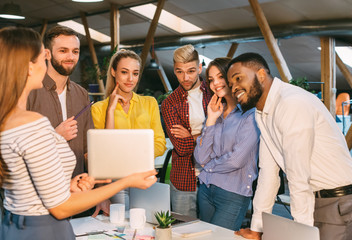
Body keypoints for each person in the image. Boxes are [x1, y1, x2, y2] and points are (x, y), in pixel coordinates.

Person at [0, 26, 157, 240]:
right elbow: (60, 208)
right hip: (44, 228)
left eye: (75, 51)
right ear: (29, 66)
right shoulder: (32, 123)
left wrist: (70, 186)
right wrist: (127, 181)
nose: (44, 61)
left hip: (17, 223)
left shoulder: (9, 116)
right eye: (41, 56)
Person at [227, 52, 352, 240]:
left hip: (338, 202)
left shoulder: (292, 103)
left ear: (261, 75)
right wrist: (257, 227)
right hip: (313, 200)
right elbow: (268, 174)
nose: (234, 88)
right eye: (231, 84)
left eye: (238, 78)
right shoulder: (261, 113)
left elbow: (298, 177)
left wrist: (300, 235)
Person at [91, 49, 166, 213]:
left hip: (144, 177)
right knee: (119, 229)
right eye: (124, 72)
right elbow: (103, 152)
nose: (130, 79)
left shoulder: (149, 103)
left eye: (135, 73)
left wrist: (128, 156)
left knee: (146, 228)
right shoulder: (99, 109)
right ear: (113, 72)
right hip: (114, 181)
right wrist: (110, 110)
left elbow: (160, 144)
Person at [193, 57, 260, 231]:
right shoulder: (215, 112)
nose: (215, 83)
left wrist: (208, 168)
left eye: (220, 77)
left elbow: (236, 160)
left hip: (233, 194)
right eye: (211, 79)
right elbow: (200, 157)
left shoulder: (251, 115)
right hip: (206, 190)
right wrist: (210, 121)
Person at [27, 25, 93, 178]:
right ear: (47, 54)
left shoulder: (82, 94)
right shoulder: (29, 91)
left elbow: (88, 149)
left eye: (75, 51)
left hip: (78, 187)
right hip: (40, 189)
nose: (70, 57)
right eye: (63, 51)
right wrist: (55, 135)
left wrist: (101, 186)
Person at [161, 44, 211, 218]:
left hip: (213, 177)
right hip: (183, 178)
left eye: (190, 71)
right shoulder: (170, 103)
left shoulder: (214, 94)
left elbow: (225, 137)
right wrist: (208, 136)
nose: (185, 77)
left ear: (199, 68)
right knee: (184, 231)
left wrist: (192, 136)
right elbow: (181, 148)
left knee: (213, 232)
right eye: (179, 71)